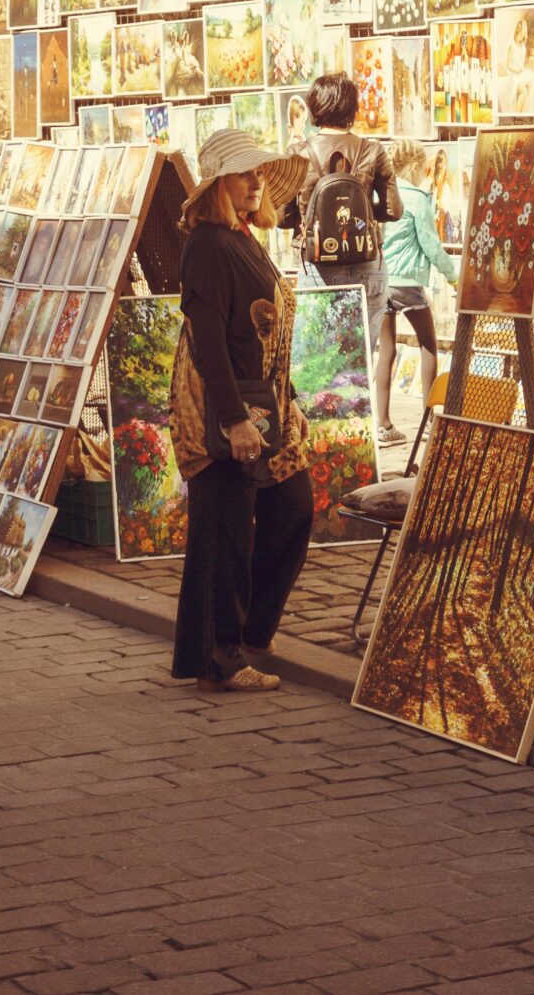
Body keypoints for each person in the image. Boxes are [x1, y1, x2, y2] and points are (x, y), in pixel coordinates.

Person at [169, 129, 315, 695]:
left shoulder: (243, 238)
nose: (256, 183)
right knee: (223, 531)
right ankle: (219, 660)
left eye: (259, 174)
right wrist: (232, 419)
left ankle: (250, 634)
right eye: (243, 174)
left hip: (262, 401)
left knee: (291, 508)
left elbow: (265, 336)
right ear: (217, 185)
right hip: (220, 404)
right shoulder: (207, 243)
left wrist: (291, 400)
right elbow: (209, 341)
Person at [288, 74, 403, 438]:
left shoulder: (299, 154)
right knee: (358, 363)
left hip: (317, 267)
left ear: (314, 108)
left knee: (318, 364)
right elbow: (394, 210)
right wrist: (360, 213)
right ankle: (358, 446)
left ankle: (322, 445)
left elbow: (277, 217)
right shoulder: (373, 150)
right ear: (353, 109)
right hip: (368, 266)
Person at [378, 140, 457, 450]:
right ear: (413, 167)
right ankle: (428, 420)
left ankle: (384, 425)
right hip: (408, 281)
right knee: (428, 345)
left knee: (386, 352)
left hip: (382, 280)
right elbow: (431, 245)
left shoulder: (381, 194)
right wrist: (453, 276)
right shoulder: (416, 198)